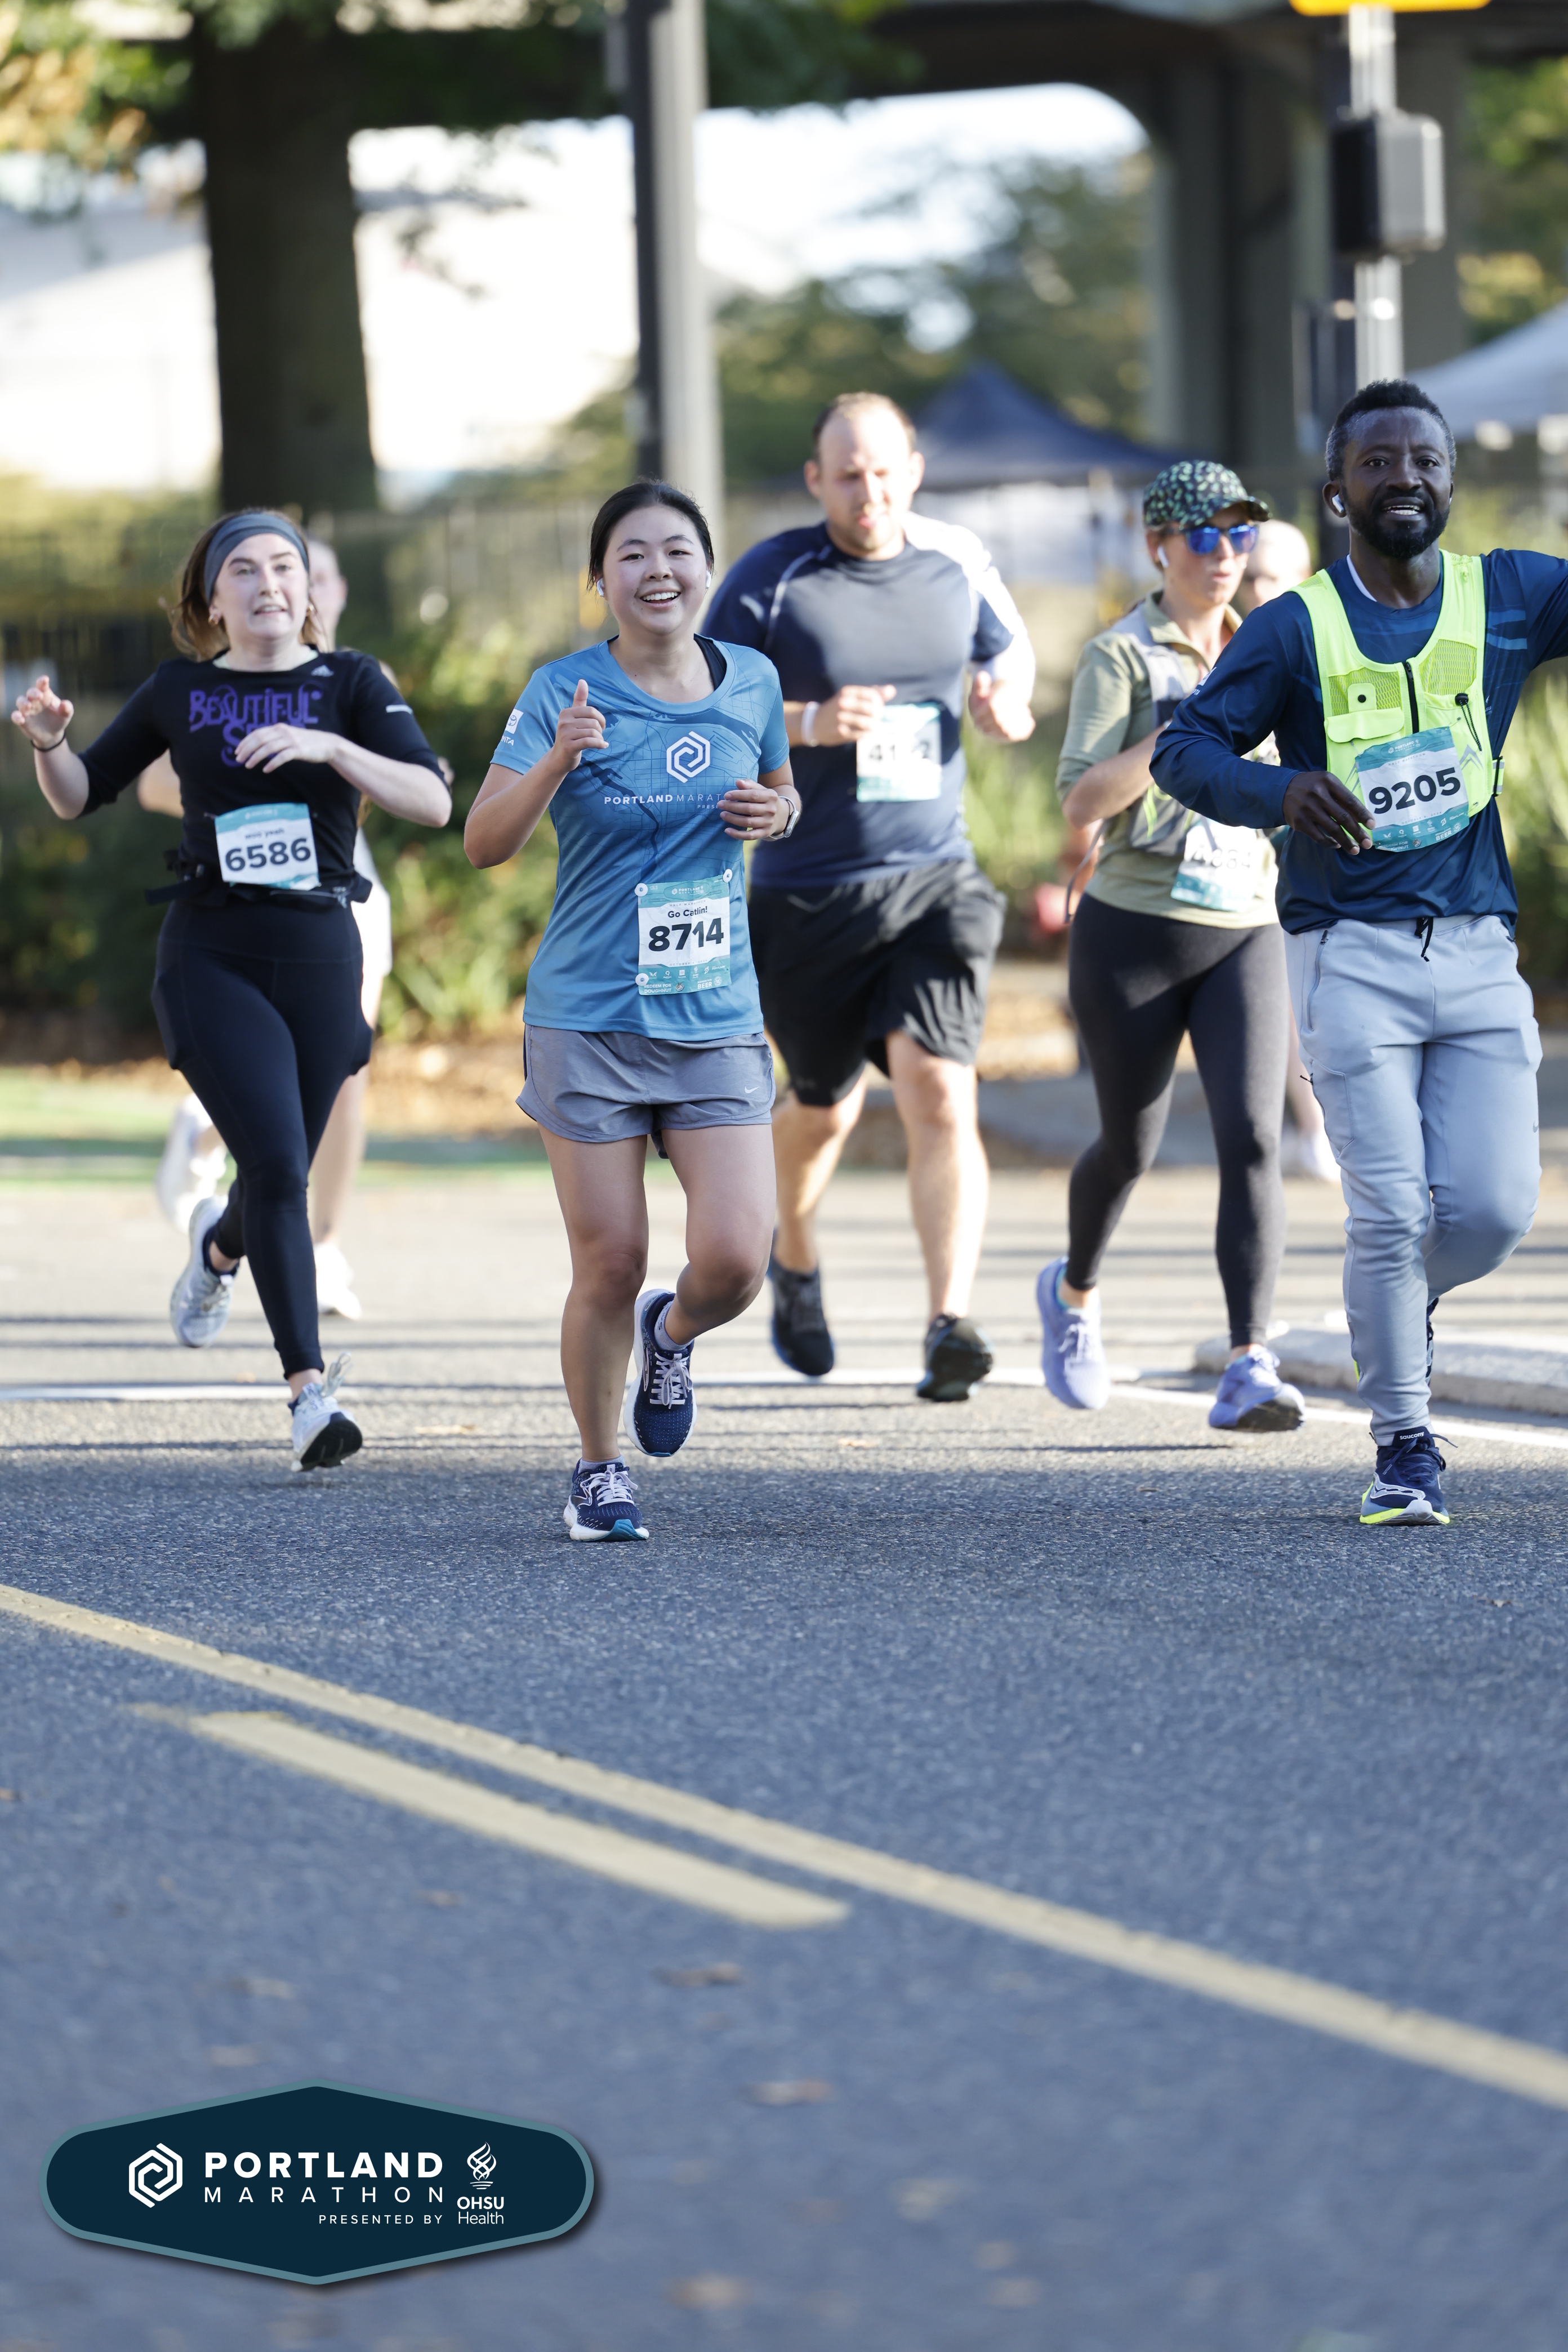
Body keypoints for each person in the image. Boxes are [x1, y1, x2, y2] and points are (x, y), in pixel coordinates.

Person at [1153, 377, 1568, 1526]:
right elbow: (1184, 751)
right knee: (1386, 1212)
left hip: (1477, 951)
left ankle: (1387, 1308)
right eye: (1376, 462)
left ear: (1450, 481)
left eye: (1423, 460)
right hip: (1348, 954)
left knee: (1489, 1212)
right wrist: (1279, 790)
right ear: (1337, 492)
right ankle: (1403, 1447)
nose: (1403, 478)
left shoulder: (1510, 594)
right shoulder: (1294, 627)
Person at [13, 509, 451, 1467]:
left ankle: (218, 1249)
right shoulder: (182, 689)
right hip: (211, 952)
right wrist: (50, 746)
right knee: (282, 1166)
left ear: (306, 588)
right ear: (212, 600)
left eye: (282, 566)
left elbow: (432, 798)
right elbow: (83, 793)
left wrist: (331, 749)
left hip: (323, 953)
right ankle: (309, 1395)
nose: (266, 583)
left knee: (275, 1168)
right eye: (242, 570)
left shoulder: (351, 682)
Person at [466, 482, 799, 1544]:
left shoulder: (752, 679)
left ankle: (675, 1331)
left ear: (707, 567)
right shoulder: (560, 689)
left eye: (677, 550)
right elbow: (482, 842)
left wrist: (777, 811)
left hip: (714, 1015)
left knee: (737, 1257)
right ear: (600, 579)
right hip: (589, 1017)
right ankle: (597, 1468)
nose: (659, 570)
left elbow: (783, 790)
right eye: (633, 554)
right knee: (609, 1259)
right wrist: (558, 756)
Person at [705, 391, 1037, 1402]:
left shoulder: (954, 561)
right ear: (816, 480)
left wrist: (1005, 699)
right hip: (807, 890)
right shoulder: (771, 580)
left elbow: (1006, 653)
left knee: (938, 1086)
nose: (868, 492)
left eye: (884, 471)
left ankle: (948, 1324)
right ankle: (793, 1254)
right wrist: (807, 722)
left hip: (934, 874)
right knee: (825, 1109)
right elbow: (700, 703)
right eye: (847, 474)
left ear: (914, 470)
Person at [1037, 460, 1305, 1436]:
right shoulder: (1120, 654)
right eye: (1202, 534)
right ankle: (1072, 1291)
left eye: (1240, 533)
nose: (1224, 553)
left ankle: (1248, 1361)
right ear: (1158, 546)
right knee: (1130, 1146)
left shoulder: (1272, 642)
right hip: (1134, 930)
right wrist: (1186, 731)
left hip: (1244, 922)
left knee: (1254, 1137)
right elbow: (1079, 801)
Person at [143, 536, 397, 1316]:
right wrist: (237, 790)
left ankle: (324, 1245)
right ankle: (207, 1134)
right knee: (274, 1095)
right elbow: (150, 782)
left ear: (333, 591)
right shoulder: (217, 687)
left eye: (306, 573)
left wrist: (343, 761)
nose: (283, 588)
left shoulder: (362, 680)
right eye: (256, 572)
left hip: (340, 895)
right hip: (237, 896)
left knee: (344, 1072)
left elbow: (418, 781)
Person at [1237, 520, 1340, 1185]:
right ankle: (1313, 1131)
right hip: (1252, 873)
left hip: (1328, 860)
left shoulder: (1333, 648)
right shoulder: (1221, 655)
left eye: (1275, 577)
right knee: (1288, 1001)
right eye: (1253, 577)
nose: (1260, 590)